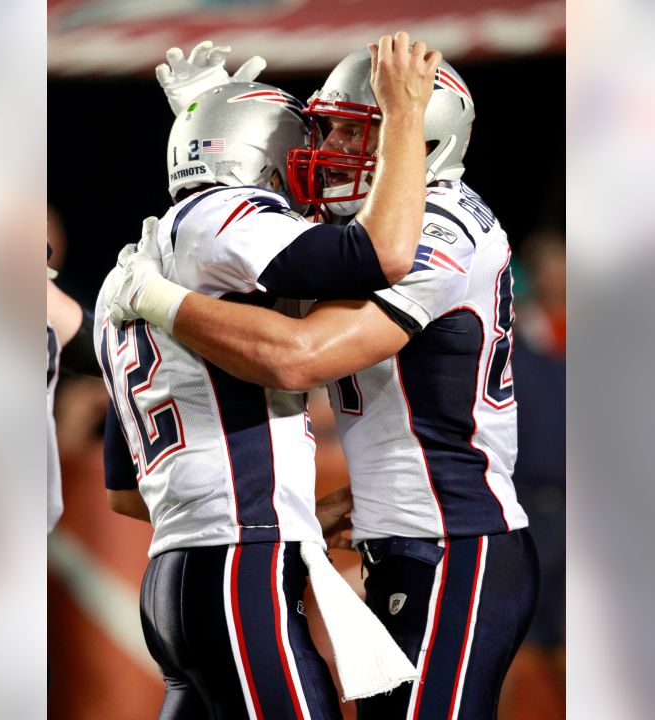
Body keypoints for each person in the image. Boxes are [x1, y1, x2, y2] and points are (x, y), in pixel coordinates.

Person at [111, 43, 539, 720]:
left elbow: (299, 358)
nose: (328, 146)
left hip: (457, 539)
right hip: (401, 535)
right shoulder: (364, 221)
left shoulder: (441, 228)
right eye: (327, 127)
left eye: (352, 130)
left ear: (418, 136)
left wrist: (161, 296)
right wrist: (211, 132)